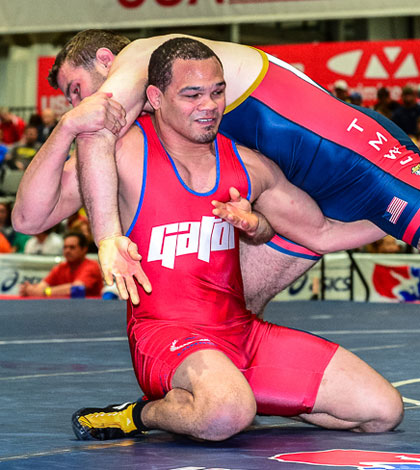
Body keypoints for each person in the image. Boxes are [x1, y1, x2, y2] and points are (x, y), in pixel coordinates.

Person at [14, 38, 403, 441]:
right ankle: (141, 414)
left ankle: (230, 394)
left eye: (217, 92)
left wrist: (402, 211)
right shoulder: (119, 153)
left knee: (383, 411)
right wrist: (68, 127)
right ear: (156, 96)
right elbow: (27, 217)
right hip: (165, 337)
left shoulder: (248, 162)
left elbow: (321, 233)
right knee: (226, 411)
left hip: (241, 333)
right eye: (192, 95)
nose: (209, 105)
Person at [13, 29, 420, 314]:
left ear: (106, 60)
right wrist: (64, 129)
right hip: (313, 199)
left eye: (76, 90)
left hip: (363, 157)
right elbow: (29, 220)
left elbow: (95, 132)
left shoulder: (143, 55)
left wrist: (106, 238)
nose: (77, 105)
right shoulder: (152, 125)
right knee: (225, 311)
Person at [19, 231, 103, 297]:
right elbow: (40, 288)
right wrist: (30, 289)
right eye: (65, 247)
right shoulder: (61, 267)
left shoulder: (91, 266)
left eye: (72, 247)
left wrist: (45, 292)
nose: (67, 251)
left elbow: (76, 289)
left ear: (84, 249)